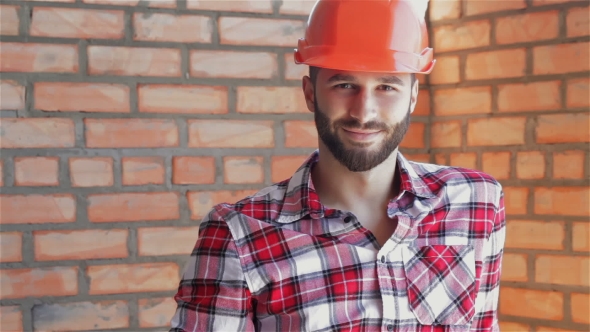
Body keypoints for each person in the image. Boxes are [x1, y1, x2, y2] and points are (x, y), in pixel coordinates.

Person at [170, 0, 506, 331]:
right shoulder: (238, 234)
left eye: (387, 87)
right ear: (310, 93)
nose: (364, 112)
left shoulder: (475, 201)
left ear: (413, 97)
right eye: (344, 85)